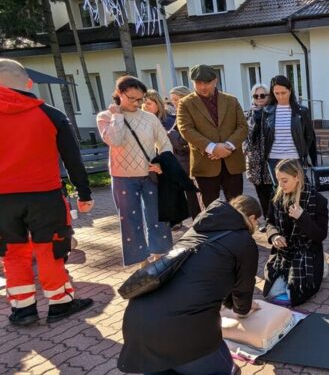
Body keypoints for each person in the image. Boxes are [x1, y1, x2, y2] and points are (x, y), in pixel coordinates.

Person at [76, 196, 261, 375]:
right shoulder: (244, 242)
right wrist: (246, 308)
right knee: (221, 369)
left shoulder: (198, 228)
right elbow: (242, 300)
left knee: (183, 361)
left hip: (139, 319)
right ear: (253, 219)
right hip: (182, 331)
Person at [0, 59, 94, 326]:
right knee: (49, 249)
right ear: (29, 83)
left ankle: (23, 308)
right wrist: (84, 194)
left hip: (2, 200)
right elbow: (72, 159)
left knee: (13, 253)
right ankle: (60, 302)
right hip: (44, 195)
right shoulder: (51, 114)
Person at [97, 76, 173, 267]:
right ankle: (141, 260)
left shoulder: (149, 118)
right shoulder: (105, 117)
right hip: (122, 177)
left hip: (149, 174)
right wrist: (117, 116)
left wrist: (161, 162)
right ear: (120, 94)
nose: (138, 103)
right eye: (133, 98)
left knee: (157, 215)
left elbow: (165, 144)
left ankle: (160, 254)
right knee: (130, 219)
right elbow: (115, 141)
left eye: (141, 99)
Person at [176, 65, 248, 207]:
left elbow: (242, 126)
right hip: (204, 164)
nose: (202, 87)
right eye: (198, 83)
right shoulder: (185, 104)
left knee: (237, 206)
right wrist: (212, 148)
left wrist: (227, 146)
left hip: (232, 162)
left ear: (215, 81)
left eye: (207, 83)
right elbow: (186, 129)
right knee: (209, 208)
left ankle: (237, 229)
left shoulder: (231, 101)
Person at [263, 159, 328, 307]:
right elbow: (269, 222)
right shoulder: (277, 197)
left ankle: (320, 264)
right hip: (284, 252)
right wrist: (274, 236)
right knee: (272, 292)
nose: (280, 185)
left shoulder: (318, 200)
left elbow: (321, 235)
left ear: (297, 177)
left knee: (294, 294)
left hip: (306, 251)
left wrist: (302, 218)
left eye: (284, 180)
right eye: (278, 180)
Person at [260, 74, 317, 187]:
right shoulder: (267, 112)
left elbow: (310, 136)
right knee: (279, 192)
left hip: (295, 159)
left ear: (290, 90)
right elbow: (264, 136)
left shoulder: (302, 111)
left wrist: (310, 158)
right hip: (274, 159)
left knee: (298, 191)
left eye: (283, 93)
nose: (280, 96)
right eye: (277, 93)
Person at [166, 86, 201, 221]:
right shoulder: (179, 114)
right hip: (184, 163)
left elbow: (186, 139)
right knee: (191, 196)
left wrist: (170, 136)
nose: (174, 102)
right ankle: (197, 222)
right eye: (172, 100)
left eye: (176, 99)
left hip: (194, 161)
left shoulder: (192, 114)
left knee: (198, 195)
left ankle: (201, 222)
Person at [244, 83, 273, 231]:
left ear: (268, 96)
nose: (260, 98)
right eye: (256, 96)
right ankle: (268, 221)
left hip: (270, 160)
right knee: (261, 193)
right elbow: (243, 136)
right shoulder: (248, 114)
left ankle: (276, 221)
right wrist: (246, 150)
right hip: (255, 162)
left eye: (263, 95)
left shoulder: (273, 112)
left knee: (273, 193)